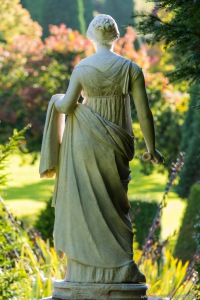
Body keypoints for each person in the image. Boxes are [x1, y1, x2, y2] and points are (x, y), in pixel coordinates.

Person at [40, 14, 164, 284]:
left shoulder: (83, 68)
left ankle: (85, 268)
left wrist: (55, 99)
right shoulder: (131, 69)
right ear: (116, 37)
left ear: (91, 37)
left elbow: (66, 107)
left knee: (86, 199)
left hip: (85, 142)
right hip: (118, 143)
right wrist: (152, 149)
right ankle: (120, 266)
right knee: (116, 205)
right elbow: (145, 113)